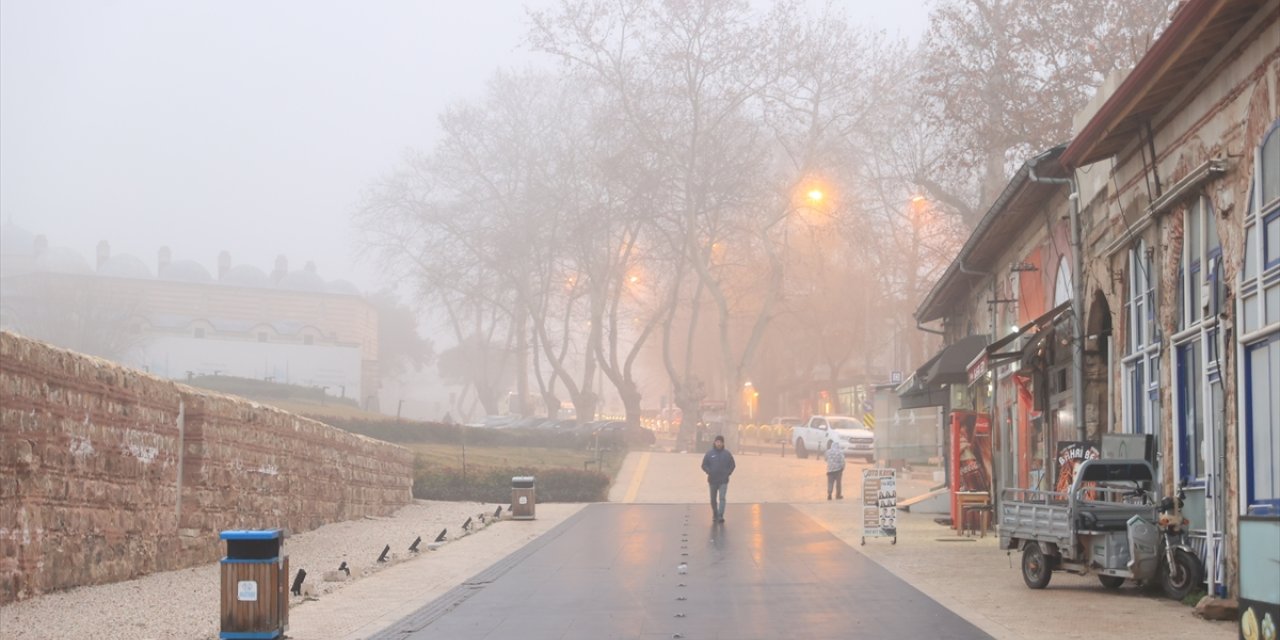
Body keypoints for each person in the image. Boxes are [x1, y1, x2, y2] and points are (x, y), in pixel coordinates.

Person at [701, 434, 736, 523]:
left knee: (722, 498)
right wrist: (709, 471)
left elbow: (732, 465)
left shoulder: (727, 454)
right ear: (715, 442)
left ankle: (720, 515)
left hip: (723, 480)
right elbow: (703, 465)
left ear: (723, 443)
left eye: (720, 442)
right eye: (717, 442)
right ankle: (715, 513)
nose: (719, 444)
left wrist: (728, 473)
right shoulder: (709, 454)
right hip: (712, 480)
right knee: (713, 499)